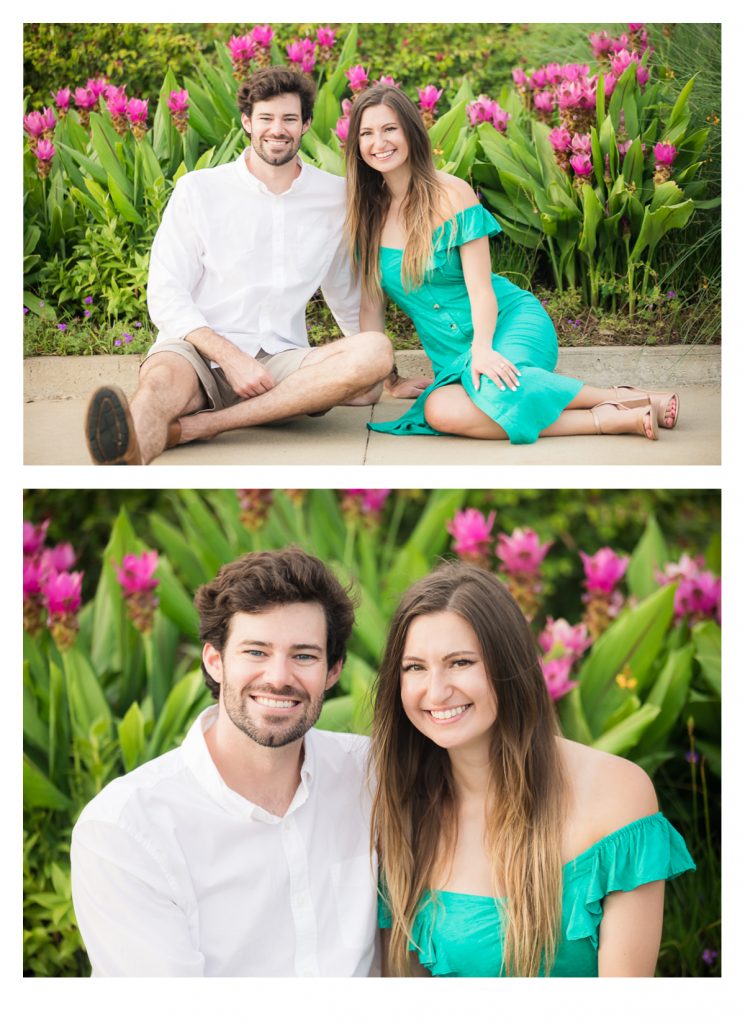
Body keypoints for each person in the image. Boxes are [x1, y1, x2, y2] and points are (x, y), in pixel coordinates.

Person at [84, 67, 429, 465]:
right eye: (266, 118)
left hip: (280, 361)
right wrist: (230, 358)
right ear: (247, 122)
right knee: (159, 385)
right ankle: (125, 459)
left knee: (374, 352)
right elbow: (166, 294)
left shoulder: (334, 197)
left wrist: (388, 377)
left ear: (305, 125)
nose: (277, 129)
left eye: (289, 119)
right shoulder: (200, 190)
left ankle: (204, 425)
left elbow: (344, 292)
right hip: (196, 351)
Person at [370, 561, 695, 977]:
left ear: (508, 664)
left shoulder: (617, 793)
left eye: (461, 662)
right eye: (415, 667)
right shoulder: (400, 808)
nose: (435, 691)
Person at [71, 548, 378, 976]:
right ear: (215, 661)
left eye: (304, 655)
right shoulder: (126, 829)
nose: (278, 676)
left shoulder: (370, 775)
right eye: (255, 652)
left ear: (333, 671)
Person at [345, 85, 681, 445]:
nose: (379, 142)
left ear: (411, 131)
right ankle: (603, 413)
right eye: (367, 133)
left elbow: (480, 288)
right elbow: (371, 307)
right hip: (451, 358)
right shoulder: (366, 216)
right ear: (357, 146)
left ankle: (615, 402)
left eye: (389, 129)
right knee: (440, 410)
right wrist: (390, 380)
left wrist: (484, 348)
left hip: (508, 323)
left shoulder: (451, 194)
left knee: (493, 386)